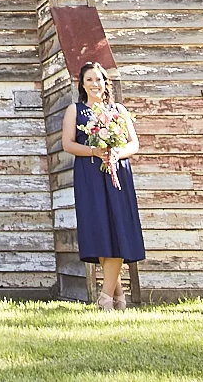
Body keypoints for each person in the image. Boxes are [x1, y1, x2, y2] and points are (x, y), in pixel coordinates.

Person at [60, 60, 146, 310]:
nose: (94, 84)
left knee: (118, 228)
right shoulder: (75, 110)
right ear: (82, 84)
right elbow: (68, 144)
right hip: (89, 175)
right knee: (100, 230)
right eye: (89, 79)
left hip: (117, 174)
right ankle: (118, 295)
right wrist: (94, 151)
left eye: (98, 79)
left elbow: (134, 143)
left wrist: (117, 153)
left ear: (105, 83)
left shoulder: (118, 110)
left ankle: (105, 298)